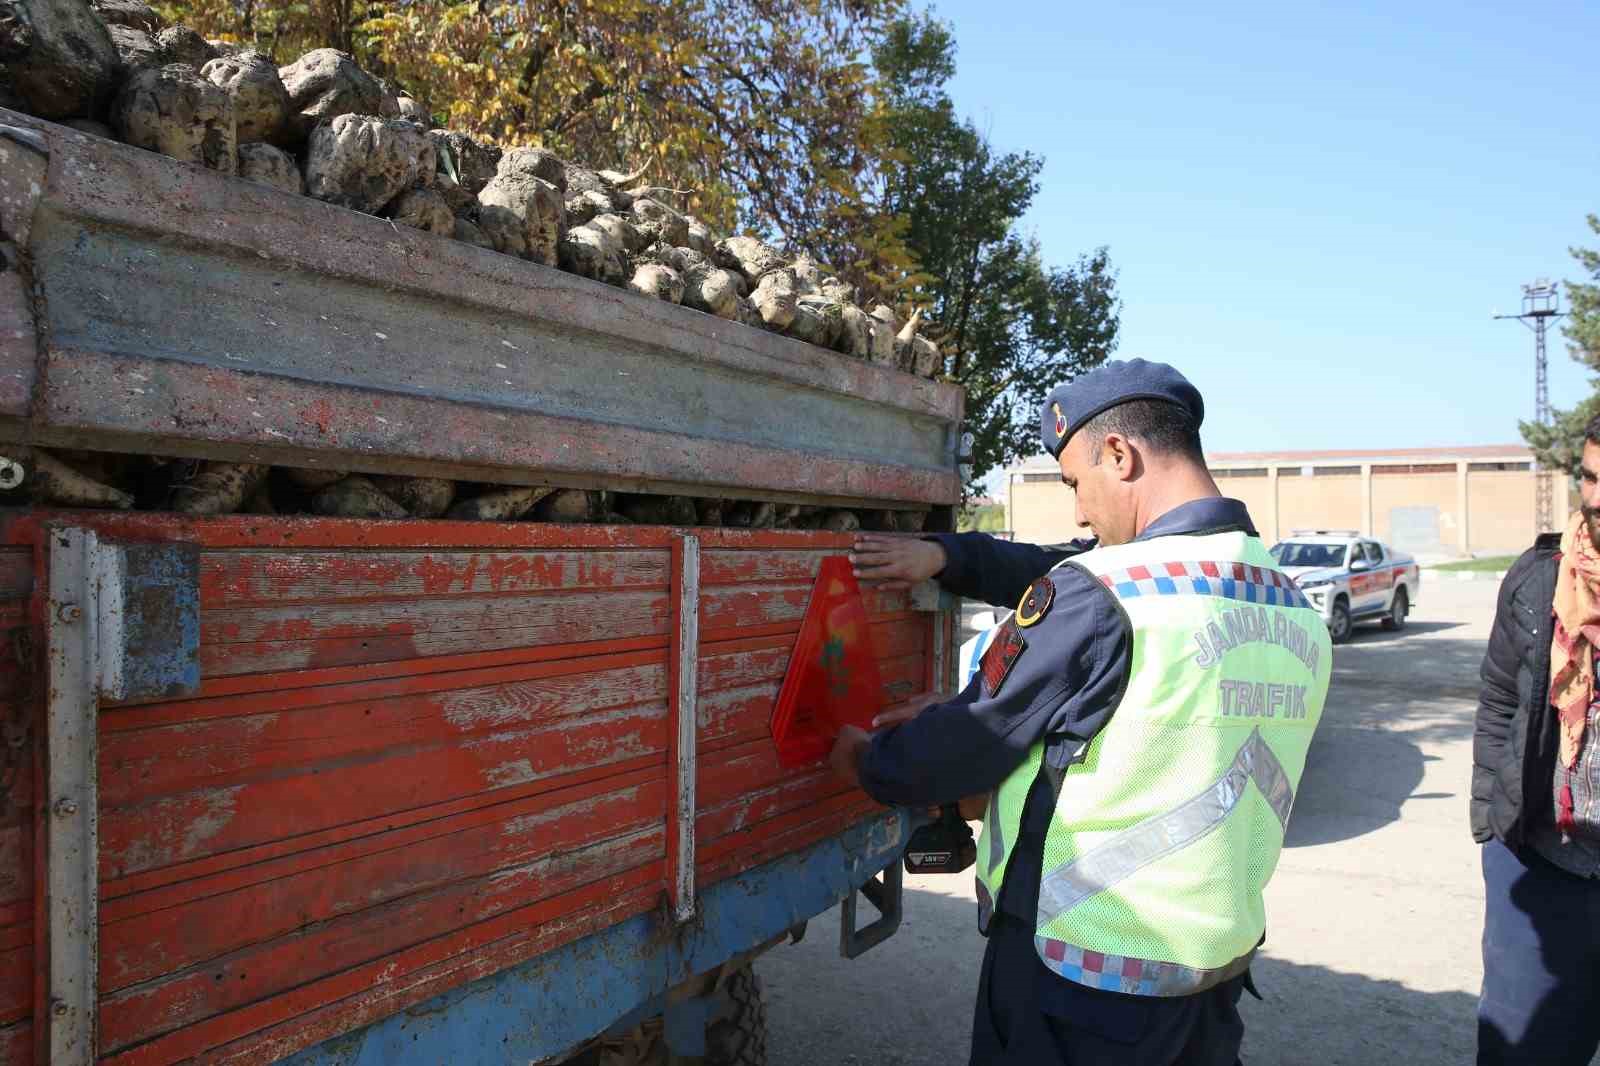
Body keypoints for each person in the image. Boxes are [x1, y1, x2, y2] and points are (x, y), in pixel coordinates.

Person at [829, 358, 1331, 1066]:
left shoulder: (1106, 591)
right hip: (1209, 974)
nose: (1078, 511)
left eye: (1073, 482)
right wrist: (951, 559)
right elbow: (1137, 727)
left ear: (1119, 454)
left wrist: (867, 761)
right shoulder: (1287, 602)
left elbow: (966, 746)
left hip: (1078, 977)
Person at [1474, 415, 1600, 1064]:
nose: (1597, 499)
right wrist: (1491, 829)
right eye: (1589, 477)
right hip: (1544, 860)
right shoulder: (1540, 579)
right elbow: (1498, 698)